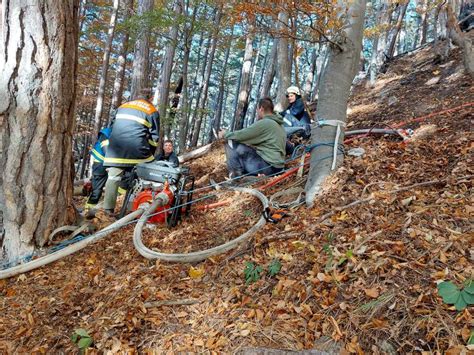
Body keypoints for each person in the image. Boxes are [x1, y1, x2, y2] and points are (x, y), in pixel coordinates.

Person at [102, 89, 160, 213]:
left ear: (136, 97)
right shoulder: (151, 110)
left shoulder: (122, 106)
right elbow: (154, 138)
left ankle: (107, 210)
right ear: (150, 98)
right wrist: (150, 154)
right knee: (149, 175)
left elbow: (112, 128)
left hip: (115, 150)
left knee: (113, 177)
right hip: (138, 150)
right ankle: (136, 207)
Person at [219, 97, 286, 178]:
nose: (257, 112)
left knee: (230, 142)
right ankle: (245, 175)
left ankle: (235, 177)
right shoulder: (280, 125)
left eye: (257, 109)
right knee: (244, 150)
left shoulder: (265, 123)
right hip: (278, 168)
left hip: (267, 168)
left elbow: (242, 135)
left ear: (261, 109)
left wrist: (225, 134)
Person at [84, 126, 111, 209]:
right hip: (101, 161)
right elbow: (106, 148)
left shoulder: (111, 131)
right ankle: (88, 209)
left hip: (103, 160)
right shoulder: (108, 132)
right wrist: (111, 163)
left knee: (97, 185)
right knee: (97, 188)